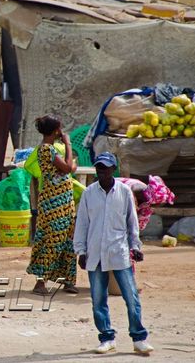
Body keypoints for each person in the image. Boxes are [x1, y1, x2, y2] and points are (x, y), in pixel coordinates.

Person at [74, 152, 154, 355]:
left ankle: (139, 338)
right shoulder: (88, 194)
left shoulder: (125, 192)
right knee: (98, 300)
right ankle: (107, 337)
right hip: (95, 253)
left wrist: (135, 246)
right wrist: (81, 251)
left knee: (131, 297)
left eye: (106, 167)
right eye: (99, 167)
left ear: (113, 169)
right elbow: (82, 224)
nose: (102, 171)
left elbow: (131, 223)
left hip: (119, 252)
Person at [26, 115, 78, 295]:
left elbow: (68, 168)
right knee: (52, 239)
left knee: (67, 240)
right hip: (53, 203)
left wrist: (69, 163)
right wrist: (69, 145)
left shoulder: (51, 150)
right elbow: (68, 168)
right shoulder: (47, 149)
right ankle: (40, 283)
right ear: (56, 131)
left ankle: (68, 281)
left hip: (64, 201)